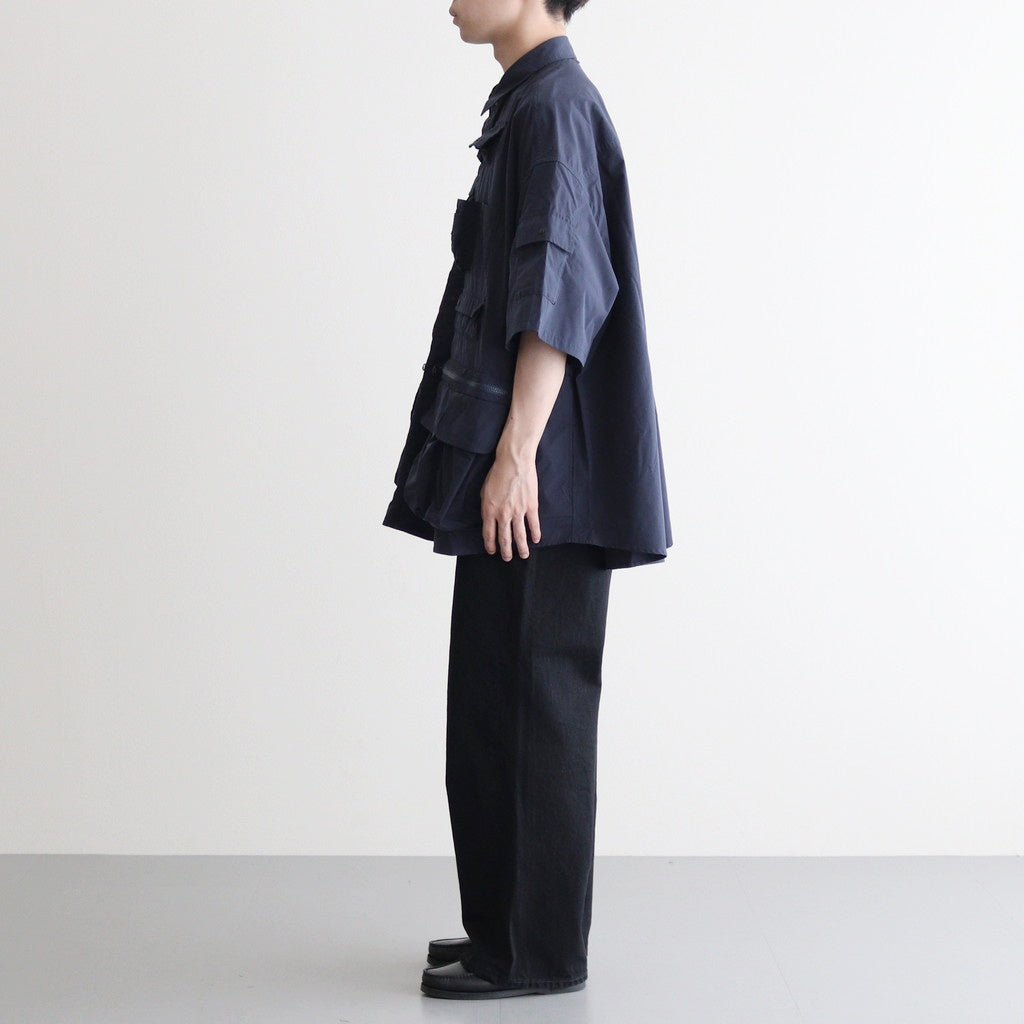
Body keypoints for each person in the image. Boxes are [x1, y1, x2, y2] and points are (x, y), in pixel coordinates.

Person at [383, 0, 672, 1000]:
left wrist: (516, 453)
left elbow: (560, 290)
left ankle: (538, 953)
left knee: (536, 707)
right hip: (521, 468)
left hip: (547, 477)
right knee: (490, 705)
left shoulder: (556, 107)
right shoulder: (530, 103)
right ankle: (498, 930)